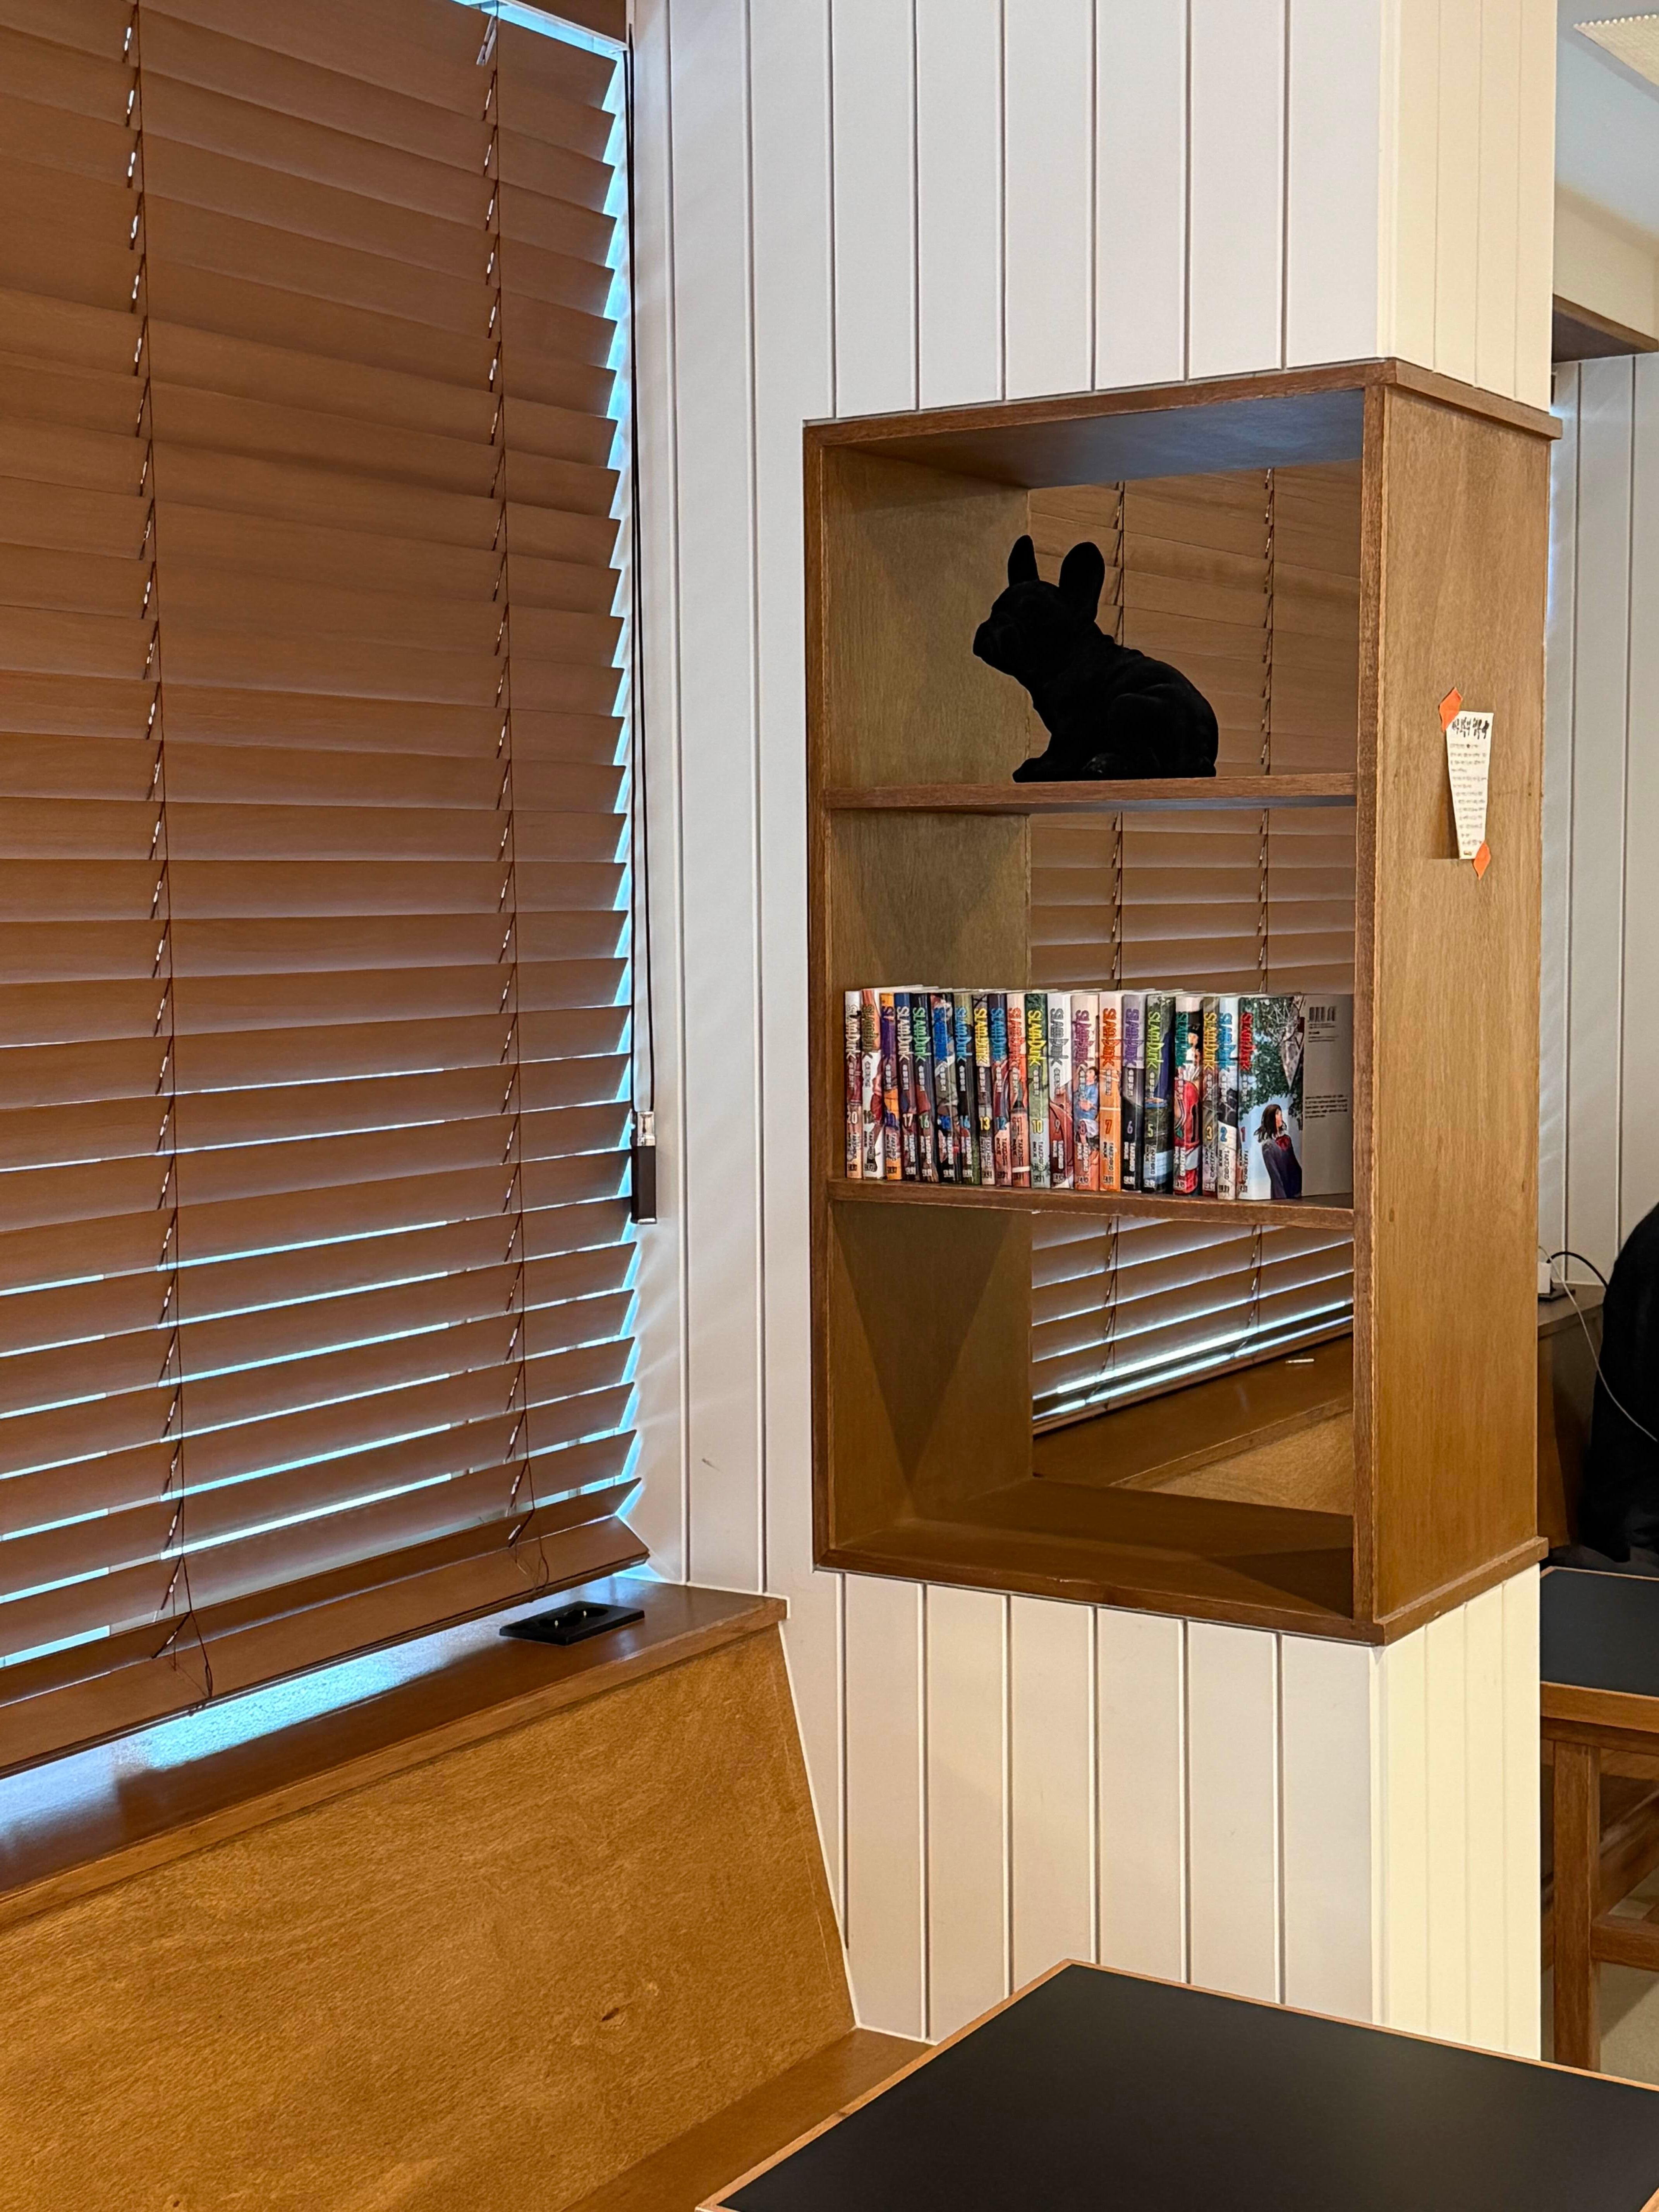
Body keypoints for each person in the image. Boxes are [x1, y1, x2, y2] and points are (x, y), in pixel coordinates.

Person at [1256, 1103, 1302, 1201]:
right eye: (1277, 1114)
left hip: (1296, 1190)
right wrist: (1282, 1199)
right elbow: (1275, 1176)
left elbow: (1295, 1165)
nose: (1280, 1116)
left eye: (1280, 1113)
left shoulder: (1287, 1139)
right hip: (1282, 1194)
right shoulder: (1268, 1147)